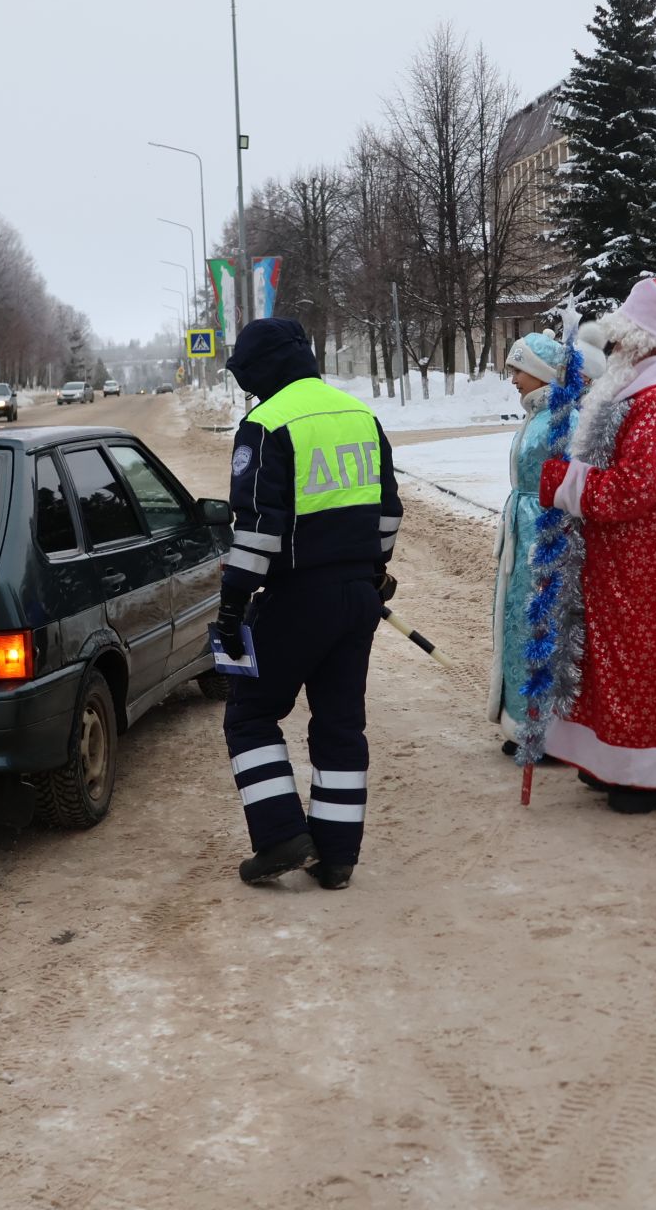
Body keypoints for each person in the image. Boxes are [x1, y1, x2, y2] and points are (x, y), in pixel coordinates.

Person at [215, 318, 403, 891]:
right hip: (358, 599)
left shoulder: (266, 423)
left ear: (263, 369)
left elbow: (257, 530)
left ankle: (279, 838)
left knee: (250, 713)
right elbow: (389, 511)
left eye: (248, 378)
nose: (249, 391)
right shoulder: (358, 415)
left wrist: (232, 606)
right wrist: (374, 572)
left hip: (297, 597)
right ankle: (337, 856)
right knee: (341, 725)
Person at [538, 277, 656, 814]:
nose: (612, 347)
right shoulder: (646, 389)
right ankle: (619, 760)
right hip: (631, 549)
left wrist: (564, 483)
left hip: (648, 550)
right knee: (615, 656)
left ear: (646, 338)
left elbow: (637, 486)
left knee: (644, 660)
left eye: (621, 336)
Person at [489, 331, 600, 757]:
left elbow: (571, 484)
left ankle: (550, 732)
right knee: (521, 623)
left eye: (518, 369)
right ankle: (523, 722)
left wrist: (556, 536)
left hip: (547, 533)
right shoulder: (538, 415)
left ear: (538, 372)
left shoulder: (562, 419)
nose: (513, 378)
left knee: (545, 624)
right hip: (526, 527)